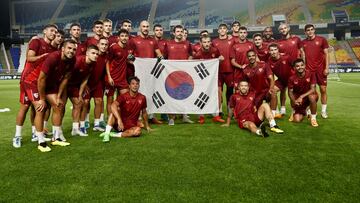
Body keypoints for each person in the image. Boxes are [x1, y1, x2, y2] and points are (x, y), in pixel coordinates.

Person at [23, 39, 77, 152]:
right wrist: (42, 99)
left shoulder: (72, 60)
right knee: (40, 109)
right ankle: (41, 141)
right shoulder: (53, 57)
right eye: (69, 48)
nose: (72, 51)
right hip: (34, 82)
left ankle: (56, 137)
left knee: (58, 106)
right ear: (63, 49)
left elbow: (65, 79)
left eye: (74, 49)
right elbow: (41, 79)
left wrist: (58, 96)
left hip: (50, 84)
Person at [13, 24, 58, 148]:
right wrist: (43, 56)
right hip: (29, 80)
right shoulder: (36, 42)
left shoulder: (53, 49)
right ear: (45, 31)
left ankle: (35, 133)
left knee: (33, 108)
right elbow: (29, 57)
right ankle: (18, 136)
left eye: (55, 31)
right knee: (30, 107)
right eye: (51, 30)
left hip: (38, 81)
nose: (53, 33)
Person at [100, 76, 152, 142]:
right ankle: (106, 134)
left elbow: (144, 112)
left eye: (137, 84)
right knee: (115, 110)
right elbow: (113, 105)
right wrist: (119, 120)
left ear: (139, 85)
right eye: (133, 84)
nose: (135, 86)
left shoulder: (142, 97)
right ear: (129, 86)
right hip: (119, 125)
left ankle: (114, 135)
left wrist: (147, 126)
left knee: (138, 131)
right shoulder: (123, 96)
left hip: (131, 126)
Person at [164, 25, 194, 125]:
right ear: (174, 33)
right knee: (171, 95)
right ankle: (171, 118)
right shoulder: (168, 44)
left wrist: (188, 63)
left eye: (181, 31)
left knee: (185, 95)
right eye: (178, 31)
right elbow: (164, 58)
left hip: (183, 74)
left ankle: (185, 116)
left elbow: (191, 55)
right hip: (172, 75)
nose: (180, 33)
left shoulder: (187, 43)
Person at [193, 34, 225, 124]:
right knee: (201, 96)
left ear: (210, 42)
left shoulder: (215, 50)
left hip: (214, 77)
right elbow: (194, 67)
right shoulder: (198, 54)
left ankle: (217, 115)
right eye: (204, 42)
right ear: (201, 43)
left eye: (208, 42)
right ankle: (201, 116)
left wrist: (220, 59)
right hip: (202, 79)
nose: (207, 44)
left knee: (218, 94)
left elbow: (220, 57)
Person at [68, 45, 99, 136]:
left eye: (97, 54)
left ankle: (77, 128)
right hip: (66, 84)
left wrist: (80, 94)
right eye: (93, 53)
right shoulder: (77, 61)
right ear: (87, 53)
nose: (95, 55)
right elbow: (66, 77)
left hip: (76, 85)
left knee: (80, 103)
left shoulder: (93, 63)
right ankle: (56, 130)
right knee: (61, 106)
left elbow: (85, 79)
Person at [300, 24, 329, 118]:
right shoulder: (303, 42)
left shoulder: (322, 40)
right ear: (305, 32)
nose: (310, 31)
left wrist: (327, 67)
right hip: (309, 71)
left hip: (320, 70)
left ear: (314, 30)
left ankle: (324, 111)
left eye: (312, 29)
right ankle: (310, 109)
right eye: (308, 30)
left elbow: (326, 54)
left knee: (323, 90)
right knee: (312, 92)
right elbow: (302, 56)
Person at [105, 29, 131, 118]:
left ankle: (122, 117)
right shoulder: (114, 47)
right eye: (122, 36)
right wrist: (109, 77)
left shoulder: (127, 48)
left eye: (126, 36)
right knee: (110, 100)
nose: (124, 38)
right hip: (112, 78)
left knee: (125, 98)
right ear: (118, 38)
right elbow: (107, 62)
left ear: (128, 37)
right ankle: (110, 120)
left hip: (122, 79)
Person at [85, 37, 109, 132]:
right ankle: (85, 121)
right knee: (86, 103)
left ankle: (97, 124)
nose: (104, 46)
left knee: (99, 101)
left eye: (106, 44)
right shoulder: (93, 54)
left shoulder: (106, 56)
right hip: (87, 83)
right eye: (102, 44)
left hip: (98, 83)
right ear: (98, 44)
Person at [288, 59, 319, 127]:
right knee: (297, 120)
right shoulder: (291, 78)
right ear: (294, 68)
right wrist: (294, 101)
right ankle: (302, 111)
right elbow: (290, 92)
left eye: (302, 65)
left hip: (309, 96)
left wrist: (301, 96)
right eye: (297, 66)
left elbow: (313, 89)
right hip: (299, 100)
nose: (300, 67)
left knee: (312, 97)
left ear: (304, 65)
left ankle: (313, 118)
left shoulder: (311, 74)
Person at [212, 23, 235, 113]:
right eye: (220, 28)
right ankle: (219, 110)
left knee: (229, 91)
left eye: (224, 28)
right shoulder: (214, 42)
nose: (222, 30)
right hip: (218, 70)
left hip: (229, 70)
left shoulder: (232, 40)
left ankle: (230, 110)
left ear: (227, 30)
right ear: (218, 31)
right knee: (218, 91)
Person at [267, 43, 294, 117]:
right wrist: (271, 87)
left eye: (275, 50)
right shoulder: (269, 60)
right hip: (281, 80)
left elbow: (295, 67)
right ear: (269, 52)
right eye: (271, 50)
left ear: (278, 50)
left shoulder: (286, 57)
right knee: (273, 91)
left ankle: (293, 112)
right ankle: (273, 113)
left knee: (291, 94)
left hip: (291, 79)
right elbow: (271, 75)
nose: (273, 52)